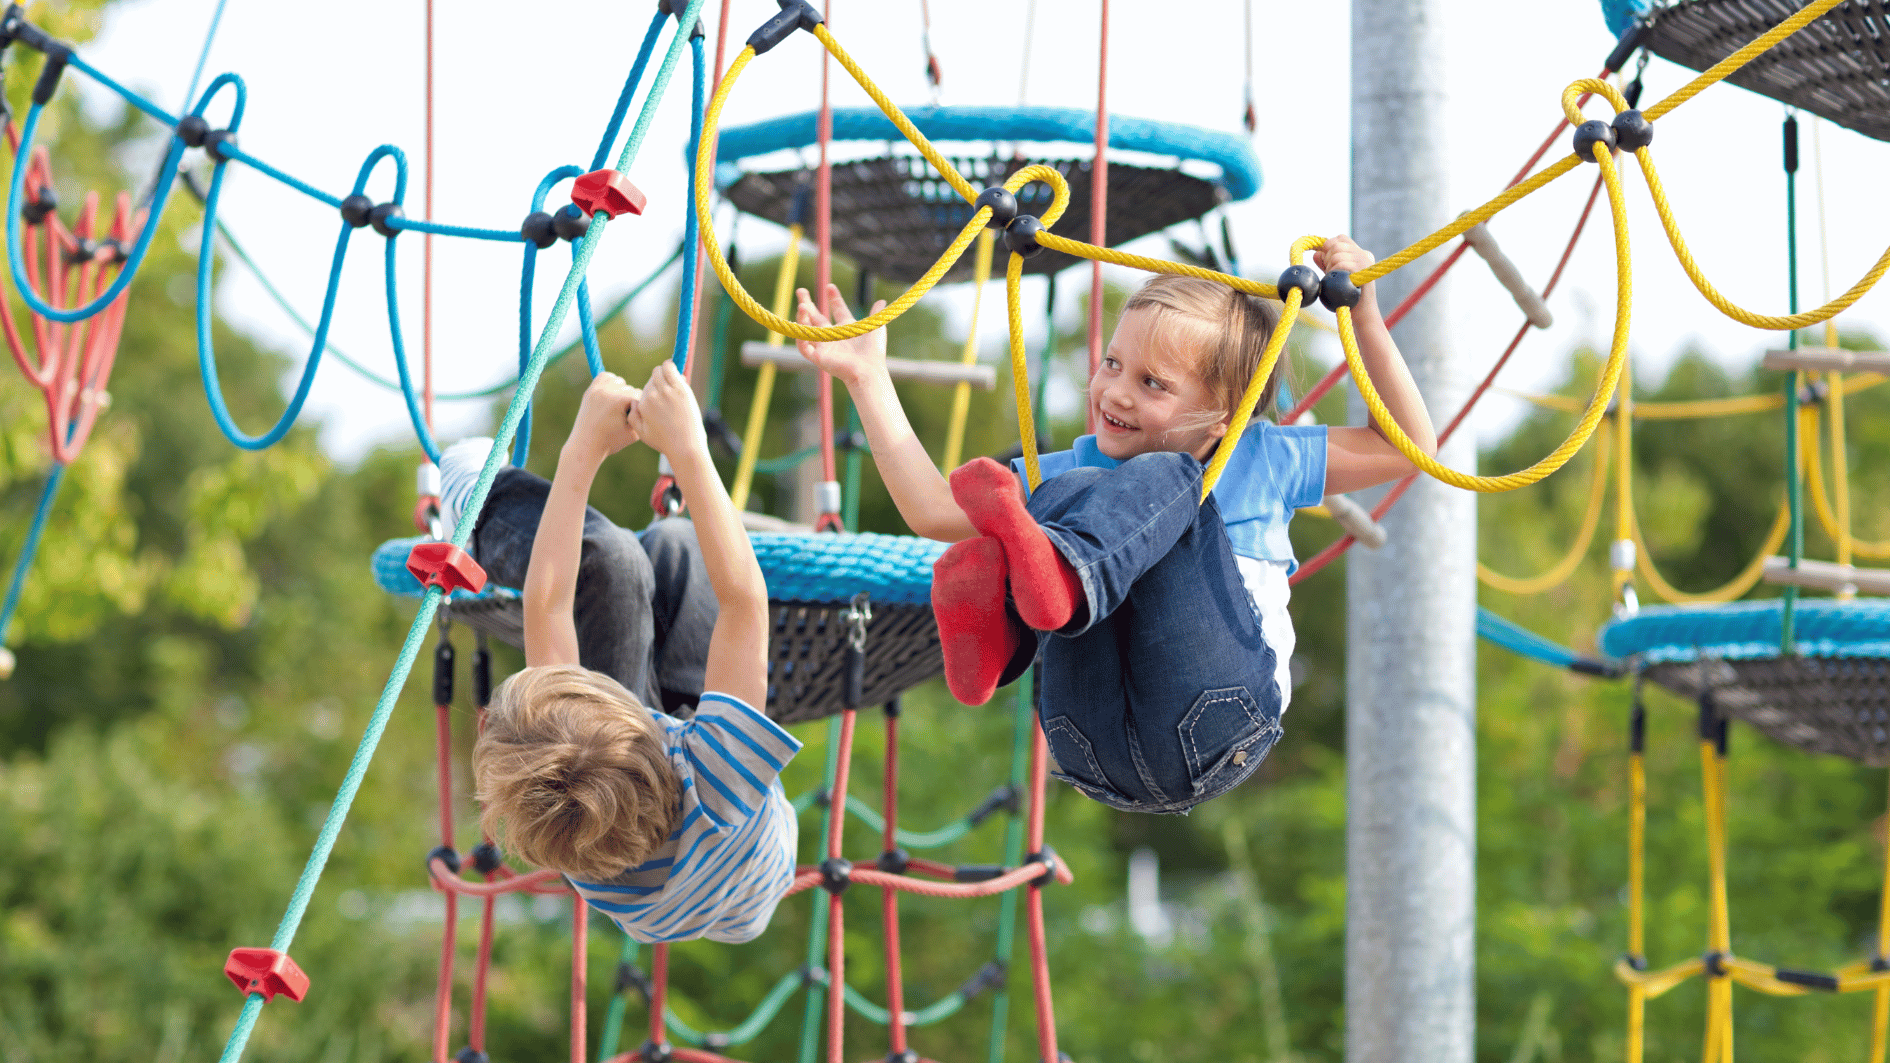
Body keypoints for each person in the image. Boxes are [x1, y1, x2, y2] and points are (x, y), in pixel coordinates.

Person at [793, 235, 1437, 815]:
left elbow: (1410, 444)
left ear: (1223, 417)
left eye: (1153, 383)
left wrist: (1366, 317)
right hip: (1089, 743)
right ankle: (1012, 623)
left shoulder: (1261, 456)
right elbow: (933, 511)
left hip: (1219, 719)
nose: (1116, 393)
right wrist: (868, 377)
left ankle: (1041, 592)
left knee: (1165, 478)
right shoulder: (1076, 469)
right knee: (1063, 491)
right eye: (1111, 365)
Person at [461, 362, 800, 943]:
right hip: (744, 869)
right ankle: (486, 505)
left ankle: (481, 510)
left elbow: (547, 607)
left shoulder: (567, 832)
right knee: (656, 548)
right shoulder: (721, 782)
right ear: (649, 730)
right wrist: (686, 448)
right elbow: (744, 601)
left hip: (655, 869)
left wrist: (583, 451)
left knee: (649, 553)